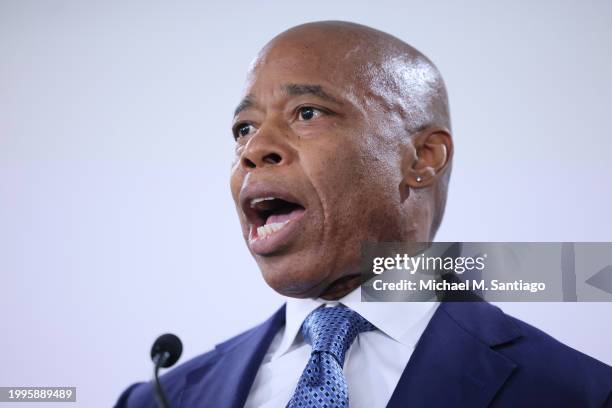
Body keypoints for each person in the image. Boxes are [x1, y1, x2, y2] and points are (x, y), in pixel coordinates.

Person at [115, 21, 612, 407]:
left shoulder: (581, 394)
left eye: (307, 113)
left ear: (422, 159)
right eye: (243, 128)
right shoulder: (162, 399)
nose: (254, 148)